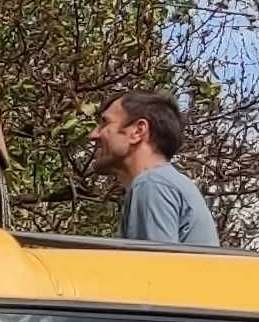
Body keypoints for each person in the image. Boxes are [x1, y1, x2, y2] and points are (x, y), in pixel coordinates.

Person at [89, 86, 220, 248]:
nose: (93, 135)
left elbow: (154, 271)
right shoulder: (167, 183)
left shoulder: (152, 184)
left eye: (104, 123)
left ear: (138, 131)